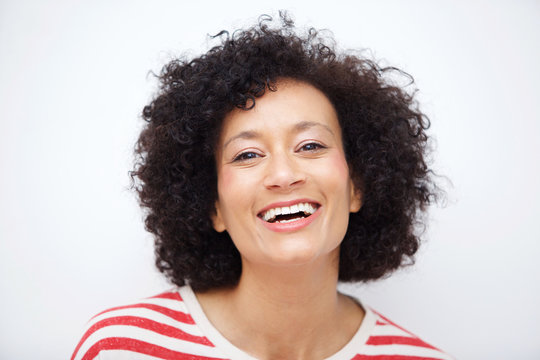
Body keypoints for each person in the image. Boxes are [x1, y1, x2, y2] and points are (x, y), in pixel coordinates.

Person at [72, 13, 453, 360]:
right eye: (248, 155)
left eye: (310, 146)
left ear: (357, 186)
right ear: (213, 206)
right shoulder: (121, 347)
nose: (284, 175)